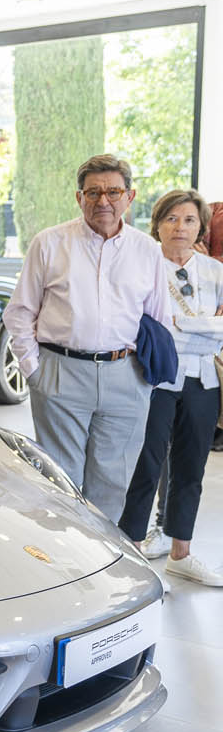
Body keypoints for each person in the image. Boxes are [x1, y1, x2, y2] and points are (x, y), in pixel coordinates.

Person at [3, 154, 169, 521]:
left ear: (130, 196)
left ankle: (100, 572)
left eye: (113, 191)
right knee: (60, 482)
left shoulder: (147, 250)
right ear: (79, 198)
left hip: (127, 375)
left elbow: (158, 319)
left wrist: (144, 381)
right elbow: (19, 313)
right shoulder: (48, 243)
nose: (103, 201)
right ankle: (63, 569)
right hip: (60, 372)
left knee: (113, 482)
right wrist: (34, 370)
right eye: (93, 193)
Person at [117, 190, 223, 586]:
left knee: (191, 466)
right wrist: (206, 327)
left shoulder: (215, 271)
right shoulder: (143, 267)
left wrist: (186, 327)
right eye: (172, 219)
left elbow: (207, 330)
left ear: (201, 226)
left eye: (190, 220)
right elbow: (144, 328)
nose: (181, 228)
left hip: (203, 380)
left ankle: (182, 552)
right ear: (157, 223)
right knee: (145, 463)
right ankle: (130, 550)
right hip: (155, 377)